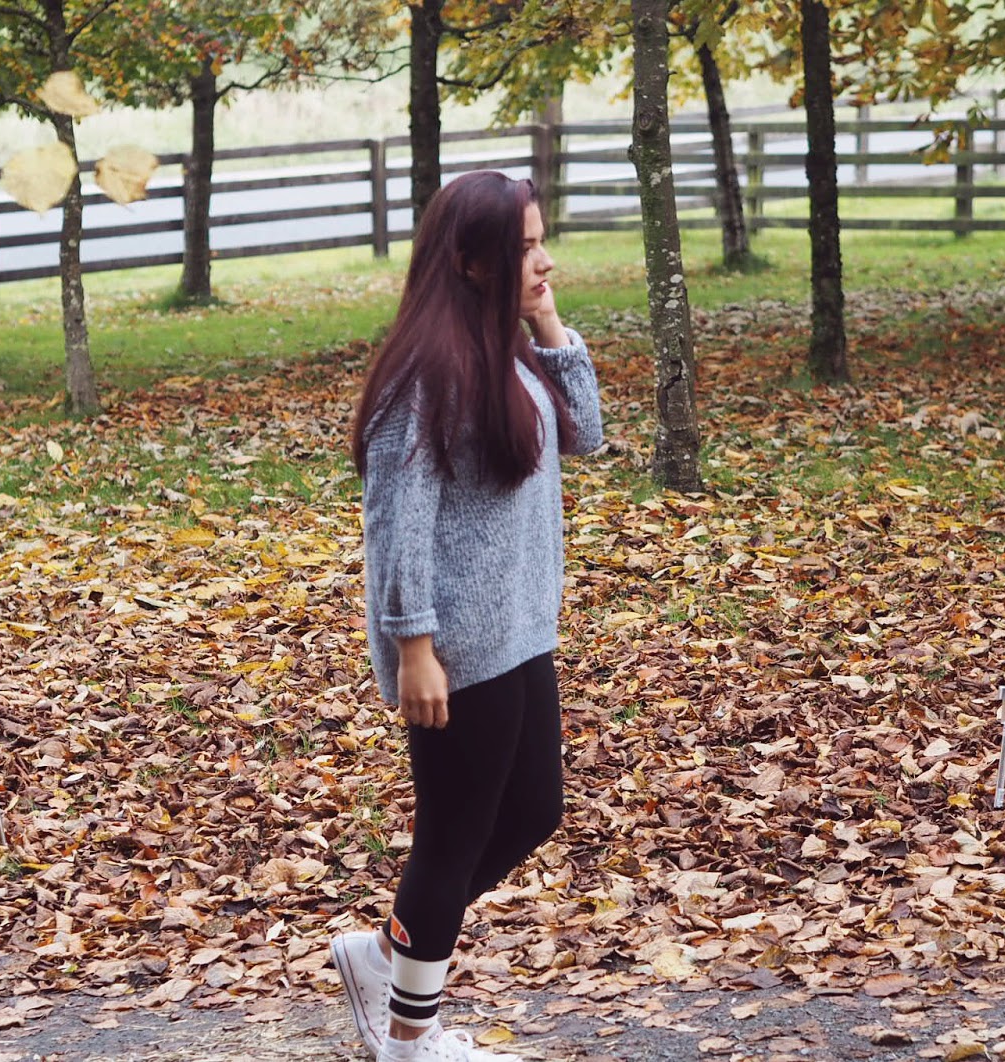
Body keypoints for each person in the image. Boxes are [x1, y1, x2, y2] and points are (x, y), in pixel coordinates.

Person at [329, 170, 604, 1062]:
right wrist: (413, 646)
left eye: (542, 242)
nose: (544, 262)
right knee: (450, 842)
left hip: (520, 629)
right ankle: (411, 1038)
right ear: (471, 261)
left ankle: (388, 954)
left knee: (533, 811)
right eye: (524, 249)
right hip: (454, 648)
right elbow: (396, 527)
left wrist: (548, 323)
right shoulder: (425, 376)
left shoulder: (508, 353)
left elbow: (588, 432)